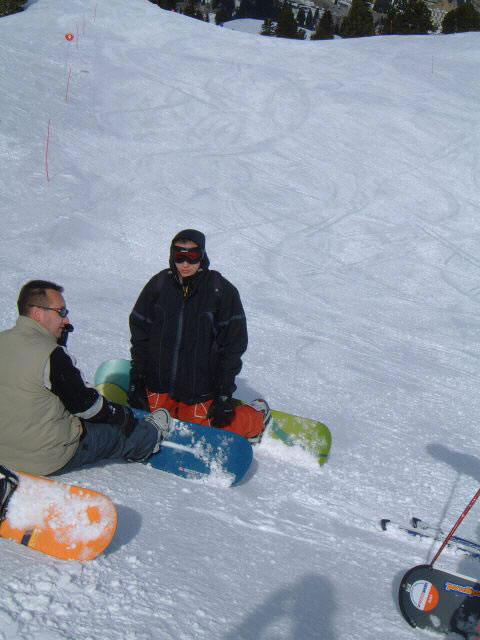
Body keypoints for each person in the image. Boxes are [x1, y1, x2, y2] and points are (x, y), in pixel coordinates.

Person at [0, 280, 170, 476]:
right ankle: (147, 440)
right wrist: (122, 416)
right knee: (113, 433)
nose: (66, 319)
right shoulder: (50, 354)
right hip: (44, 457)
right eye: (61, 312)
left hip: (5, 453)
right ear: (38, 313)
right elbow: (87, 406)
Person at [128, 229, 271, 443]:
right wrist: (137, 377)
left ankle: (255, 417)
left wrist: (224, 392)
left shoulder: (220, 291)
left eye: (192, 256)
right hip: (159, 382)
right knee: (148, 425)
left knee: (196, 437)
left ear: (202, 255)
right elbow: (140, 332)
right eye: (180, 256)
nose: (185, 264)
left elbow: (233, 345)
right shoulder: (159, 285)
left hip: (198, 387)